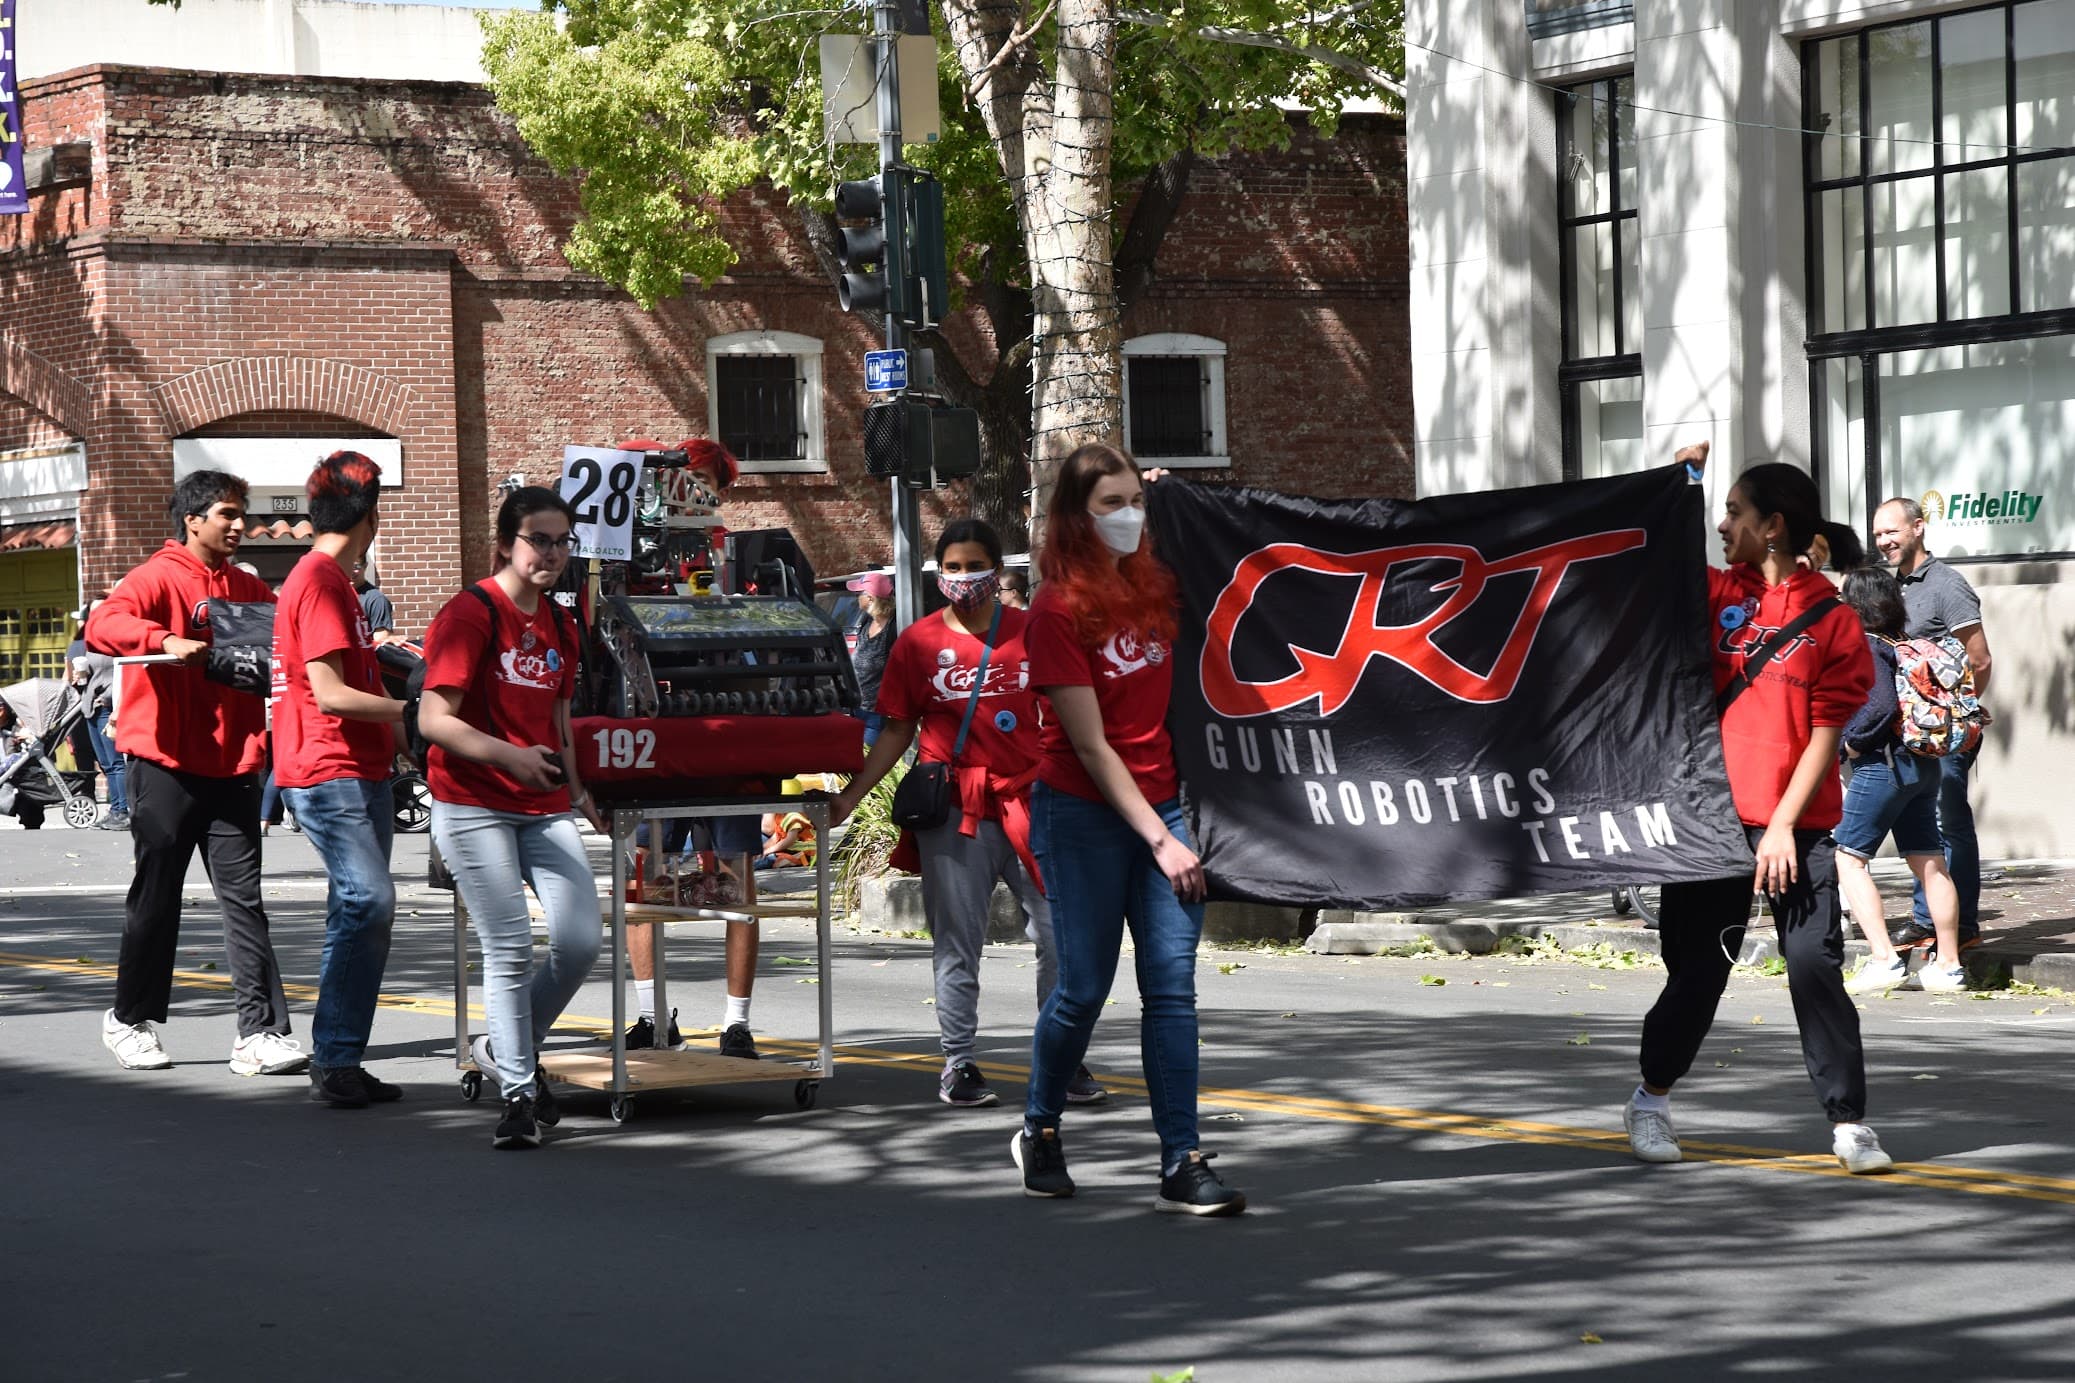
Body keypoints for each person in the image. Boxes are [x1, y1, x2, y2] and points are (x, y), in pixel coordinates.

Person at [1624, 442, 1890, 1175]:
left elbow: (1827, 732)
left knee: (1812, 964)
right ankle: (1650, 1099)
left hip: (1795, 827)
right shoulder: (1714, 595)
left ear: (1772, 526)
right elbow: (1651, 558)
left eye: (1732, 512)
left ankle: (1849, 1124)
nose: (1721, 523)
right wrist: (1683, 481)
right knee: (1697, 971)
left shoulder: (1832, 620)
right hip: (1710, 823)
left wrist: (1778, 823)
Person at [1012, 443, 1245, 1216]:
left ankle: (1181, 1157)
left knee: (1171, 992)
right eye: (1107, 505)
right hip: (1083, 814)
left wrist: (1173, 495)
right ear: (1074, 518)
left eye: (1132, 503)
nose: (1126, 517)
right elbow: (1089, 745)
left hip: (1164, 808)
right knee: (1082, 988)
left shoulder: (1153, 584)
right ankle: (1040, 1127)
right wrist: (1160, 836)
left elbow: (1224, 543)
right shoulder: (1052, 609)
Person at [831, 519, 1103, 1110]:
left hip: (1037, 804)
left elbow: (1080, 714)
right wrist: (851, 796)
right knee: (958, 942)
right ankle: (958, 1063)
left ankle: (1063, 1055)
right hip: (957, 810)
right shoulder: (918, 643)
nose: (962, 578)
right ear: (937, 573)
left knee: (1063, 937)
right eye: (950, 568)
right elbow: (897, 728)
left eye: (973, 565)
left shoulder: (1036, 631)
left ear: (997, 569)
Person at [84, 470, 305, 1077]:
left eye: (243, 515)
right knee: (158, 895)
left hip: (234, 763)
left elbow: (292, 642)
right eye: (228, 514)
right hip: (164, 762)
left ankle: (258, 1033)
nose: (240, 525)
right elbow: (101, 627)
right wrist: (162, 638)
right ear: (193, 520)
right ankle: (129, 1020)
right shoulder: (156, 576)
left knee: (245, 902)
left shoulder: (250, 588)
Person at [421, 485, 604, 1149]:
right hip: (471, 802)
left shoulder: (561, 622)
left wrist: (580, 789)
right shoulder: (472, 613)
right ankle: (520, 1094)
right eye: (538, 540)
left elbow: (557, 720)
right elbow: (432, 718)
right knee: (506, 945)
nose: (551, 553)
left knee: (581, 939)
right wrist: (511, 757)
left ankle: (502, 1045)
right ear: (504, 542)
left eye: (561, 541)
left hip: (543, 802)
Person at [619, 436, 767, 1062]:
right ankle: (655, 1016)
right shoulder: (629, 553)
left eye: (704, 482)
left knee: (735, 879)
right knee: (645, 881)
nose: (690, 492)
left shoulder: (736, 555)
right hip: (657, 734)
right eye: (683, 479)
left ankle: (736, 1022)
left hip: (725, 734)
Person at [273, 451, 409, 1107]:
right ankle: (334, 1056)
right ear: (371, 514)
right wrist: (413, 711)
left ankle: (338, 1055)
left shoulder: (336, 582)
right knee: (368, 901)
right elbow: (329, 692)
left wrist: (408, 740)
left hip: (362, 768)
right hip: (329, 770)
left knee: (356, 910)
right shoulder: (323, 582)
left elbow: (362, 681)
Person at [1833, 568, 1966, 996]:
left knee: (1849, 859)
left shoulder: (1868, 646)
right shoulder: (1903, 643)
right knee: (1930, 860)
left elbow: (1879, 707)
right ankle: (1949, 965)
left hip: (1882, 766)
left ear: (1857, 604)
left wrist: (1849, 747)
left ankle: (1883, 958)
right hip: (1924, 764)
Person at [1871, 498, 1993, 959]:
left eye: (1892, 532)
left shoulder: (1947, 585)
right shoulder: (1892, 586)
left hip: (1947, 733)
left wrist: (1959, 714)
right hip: (1911, 732)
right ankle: (1929, 921)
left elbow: (1979, 659)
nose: (1884, 541)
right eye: (1879, 534)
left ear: (1919, 528)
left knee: (1948, 822)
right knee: (1921, 824)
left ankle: (1961, 924)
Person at [67, 600, 128, 830]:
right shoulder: (92, 642)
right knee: (104, 763)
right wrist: (79, 680)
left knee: (115, 763)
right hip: (90, 706)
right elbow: (90, 676)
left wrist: (110, 698)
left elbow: (125, 672)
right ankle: (115, 811)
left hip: (106, 706)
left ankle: (122, 811)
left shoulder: (117, 641)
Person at [846, 572, 895, 749]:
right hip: (858, 706)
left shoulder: (893, 627)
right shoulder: (867, 622)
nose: (856, 597)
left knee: (868, 758)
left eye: (859, 593)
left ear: (871, 598)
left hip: (877, 711)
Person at [355, 551, 401, 646]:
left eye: (356, 567)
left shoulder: (376, 599)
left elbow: (381, 641)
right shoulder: (336, 595)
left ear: (365, 566)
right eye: (347, 566)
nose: (351, 570)